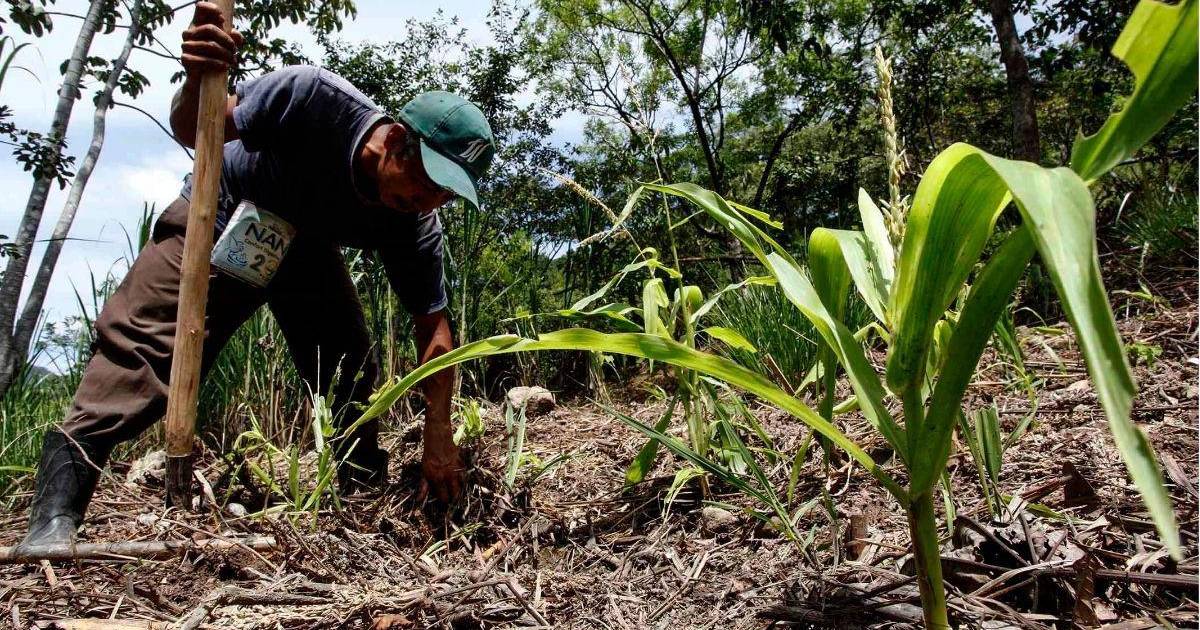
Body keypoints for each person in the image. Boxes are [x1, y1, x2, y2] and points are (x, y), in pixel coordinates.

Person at [16, 1, 493, 550]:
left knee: (347, 367)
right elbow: (196, 129)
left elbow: (434, 331)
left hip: (305, 247)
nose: (427, 200)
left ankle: (361, 497)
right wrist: (198, 75)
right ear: (394, 141)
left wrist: (439, 435)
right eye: (425, 180)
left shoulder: (414, 222)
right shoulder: (312, 97)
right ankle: (55, 512)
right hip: (227, 210)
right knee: (144, 344)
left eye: (445, 193)